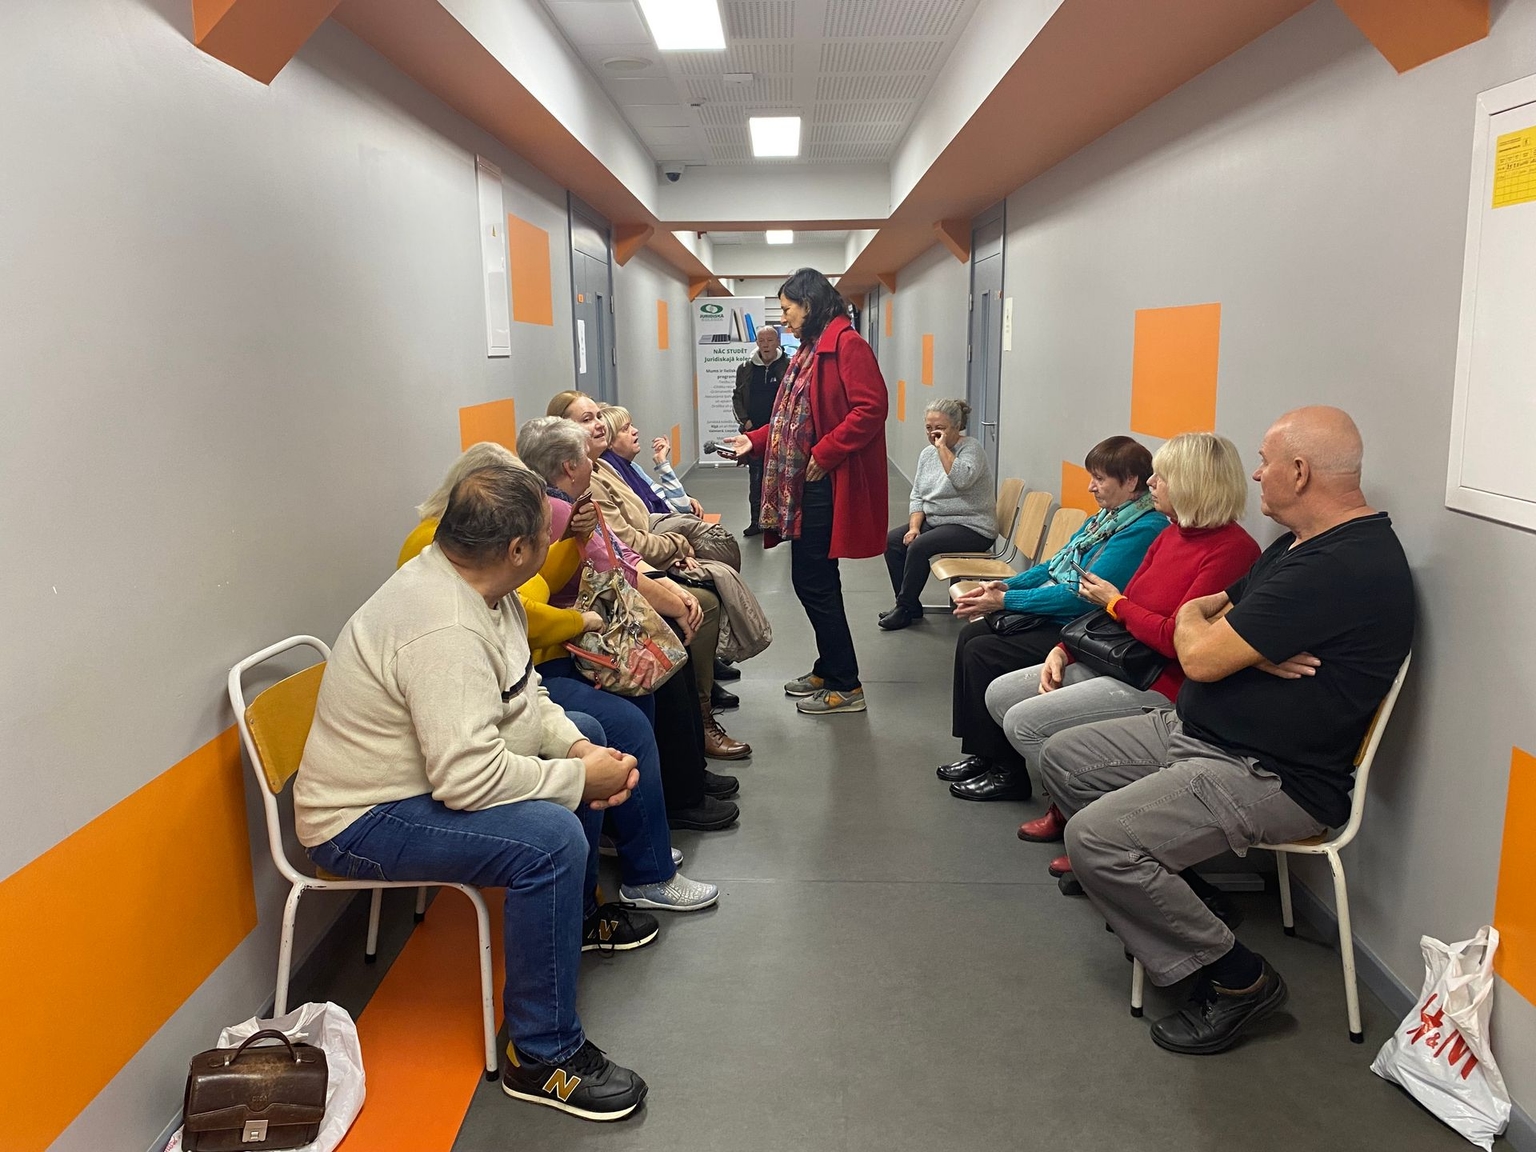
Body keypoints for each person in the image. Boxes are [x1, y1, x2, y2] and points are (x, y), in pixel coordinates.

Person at [1038, 407, 1413, 1056]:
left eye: (1266, 461)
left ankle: (1240, 981)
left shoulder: (1343, 565)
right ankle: (1182, 904)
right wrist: (1228, 639)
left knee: (1096, 840)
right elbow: (1202, 619)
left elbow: (1201, 653)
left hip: (1271, 774)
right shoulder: (1296, 545)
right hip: (1202, 733)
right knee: (1062, 757)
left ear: (1300, 472)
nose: (1257, 473)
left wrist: (1219, 639)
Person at [294, 464, 649, 1120]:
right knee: (551, 841)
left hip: (418, 781)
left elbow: (524, 694)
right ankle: (540, 1055)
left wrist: (578, 751)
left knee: (591, 731)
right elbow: (468, 779)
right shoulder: (443, 626)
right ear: (518, 549)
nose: (554, 540)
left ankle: (571, 921)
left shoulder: (487, 589)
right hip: (359, 819)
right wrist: (580, 781)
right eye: (546, 533)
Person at [400, 442, 725, 899]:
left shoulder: (481, 561)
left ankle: (627, 845)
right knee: (622, 726)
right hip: (500, 698)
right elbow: (527, 615)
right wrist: (580, 621)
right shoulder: (451, 572)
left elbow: (532, 589)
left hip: (520, 679)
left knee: (620, 709)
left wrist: (573, 538)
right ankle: (646, 871)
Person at [955, 433, 1257, 830]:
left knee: (1023, 721)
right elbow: (1116, 608)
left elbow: (1175, 640)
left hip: (1158, 679)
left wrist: (1116, 603)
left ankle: (1085, 818)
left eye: (1162, 477)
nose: (1151, 483)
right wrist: (1065, 650)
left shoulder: (1231, 551)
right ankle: (1073, 795)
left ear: (1193, 484)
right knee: (999, 693)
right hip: (1118, 657)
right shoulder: (1170, 534)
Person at [519, 417, 746, 828]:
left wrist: (667, 588)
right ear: (569, 465)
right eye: (584, 454)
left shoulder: (574, 499)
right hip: (584, 633)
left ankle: (691, 773)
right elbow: (614, 567)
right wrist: (673, 599)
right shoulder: (560, 510)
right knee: (667, 654)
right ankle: (682, 793)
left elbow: (622, 554)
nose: (592, 459)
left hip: (599, 615)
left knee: (676, 636)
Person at [940, 437, 1167, 798]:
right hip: (1062, 614)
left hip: (1085, 627)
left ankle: (1008, 773)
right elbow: (1052, 566)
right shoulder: (1105, 519)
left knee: (984, 651)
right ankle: (983, 753)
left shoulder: (1143, 529)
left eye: (1100, 479)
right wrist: (1005, 585)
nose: (1091, 486)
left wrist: (1006, 601)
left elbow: (1081, 598)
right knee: (972, 637)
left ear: (1130, 481)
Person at [722, 268, 888, 716]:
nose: (784, 318)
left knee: (813, 581)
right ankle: (829, 667)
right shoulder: (811, 349)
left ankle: (846, 685)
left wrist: (826, 452)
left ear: (809, 305)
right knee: (816, 580)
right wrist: (753, 441)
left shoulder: (847, 345)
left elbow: (871, 408)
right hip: (811, 481)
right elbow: (787, 421)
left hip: (826, 481)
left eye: (787, 309)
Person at [549, 391, 750, 754]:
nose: (598, 425)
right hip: (604, 599)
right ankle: (700, 716)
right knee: (700, 602)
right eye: (586, 420)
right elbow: (616, 559)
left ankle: (703, 694)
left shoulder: (603, 468)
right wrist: (673, 561)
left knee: (709, 581)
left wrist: (670, 563)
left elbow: (625, 543)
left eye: (598, 416)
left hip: (639, 563)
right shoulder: (572, 497)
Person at [880, 398, 995, 631]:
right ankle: (910, 605)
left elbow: (961, 480)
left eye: (940, 428)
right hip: (937, 522)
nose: (933, 434)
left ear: (956, 426)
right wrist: (914, 527)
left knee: (920, 547)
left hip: (972, 526)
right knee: (892, 542)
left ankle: (903, 608)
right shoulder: (926, 455)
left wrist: (942, 448)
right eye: (929, 428)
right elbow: (918, 495)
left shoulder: (971, 449)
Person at [732, 325, 788, 536]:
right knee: (756, 480)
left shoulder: (789, 366)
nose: (766, 345)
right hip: (754, 434)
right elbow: (737, 397)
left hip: (781, 434)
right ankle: (756, 522)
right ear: (757, 343)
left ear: (777, 342)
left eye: (770, 340)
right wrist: (745, 422)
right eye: (762, 341)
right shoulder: (745, 368)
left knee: (782, 478)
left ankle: (781, 523)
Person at [597, 405, 701, 518]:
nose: (635, 431)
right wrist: (663, 464)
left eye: (632, 425)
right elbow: (682, 507)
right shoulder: (611, 472)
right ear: (609, 441)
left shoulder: (633, 467)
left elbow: (679, 504)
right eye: (625, 429)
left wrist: (687, 498)